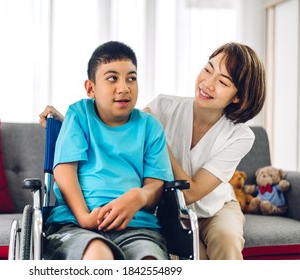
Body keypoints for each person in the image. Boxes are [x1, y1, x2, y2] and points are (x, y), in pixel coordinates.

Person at [39, 42, 266, 260]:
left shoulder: (240, 135)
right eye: (208, 69)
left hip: (213, 207)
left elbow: (190, 192)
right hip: (170, 210)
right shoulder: (163, 106)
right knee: (194, 258)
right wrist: (64, 122)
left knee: (226, 240)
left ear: (238, 96)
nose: (208, 83)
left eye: (223, 82)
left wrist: (158, 138)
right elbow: (118, 115)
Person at [43, 41, 174, 260]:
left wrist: (139, 196)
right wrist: (84, 217)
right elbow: (64, 171)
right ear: (91, 88)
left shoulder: (150, 127)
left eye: (131, 78)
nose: (124, 87)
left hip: (137, 228)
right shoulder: (79, 115)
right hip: (75, 225)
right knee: (98, 255)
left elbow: (156, 186)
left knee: (150, 262)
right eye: (112, 78)